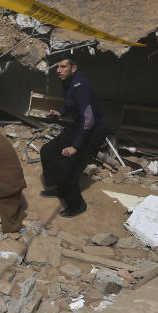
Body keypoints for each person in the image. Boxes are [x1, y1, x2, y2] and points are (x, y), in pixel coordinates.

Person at [40, 58, 109, 217]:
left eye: (63, 67)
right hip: (79, 127)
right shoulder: (67, 83)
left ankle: (77, 205)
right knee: (47, 151)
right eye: (57, 67)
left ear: (74, 68)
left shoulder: (81, 86)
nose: (58, 70)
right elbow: (70, 104)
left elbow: (89, 119)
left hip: (93, 132)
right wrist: (61, 113)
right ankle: (59, 188)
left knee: (68, 169)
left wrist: (75, 146)